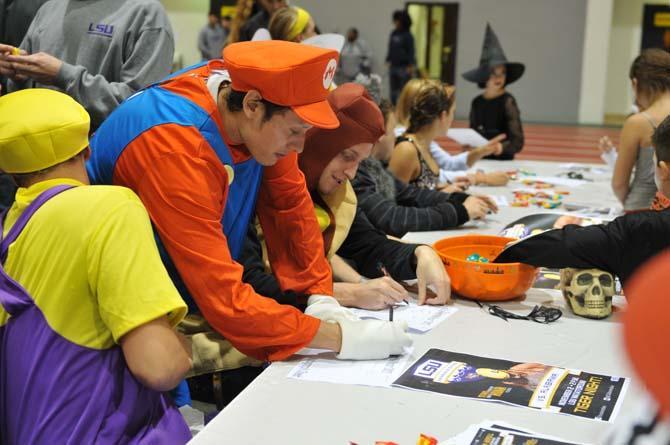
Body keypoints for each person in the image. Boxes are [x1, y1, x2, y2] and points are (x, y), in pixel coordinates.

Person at [87, 41, 412, 380]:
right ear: (254, 105)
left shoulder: (252, 102)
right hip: (123, 300)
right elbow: (224, 299)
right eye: (295, 132)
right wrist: (341, 338)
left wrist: (319, 294)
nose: (300, 147)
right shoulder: (177, 149)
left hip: (184, 276)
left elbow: (288, 203)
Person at [0, 89, 192, 443]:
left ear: (13, 174)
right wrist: (185, 348)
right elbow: (159, 366)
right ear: (86, 151)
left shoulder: (7, 229)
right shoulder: (108, 208)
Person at [241, 83, 451, 310]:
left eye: (360, 162)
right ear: (319, 146)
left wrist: (419, 254)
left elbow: (368, 245)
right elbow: (249, 284)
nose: (351, 172)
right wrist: (346, 293)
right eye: (346, 156)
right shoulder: (256, 186)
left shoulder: (338, 193)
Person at [495, 114, 670, 286]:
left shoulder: (642, 229)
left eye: (653, 162)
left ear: (664, 170)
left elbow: (571, 243)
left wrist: (506, 255)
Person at [0, 0, 174, 131]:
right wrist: (19, 73)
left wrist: (63, 76)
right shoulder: (50, 8)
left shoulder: (146, 14)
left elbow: (142, 107)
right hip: (39, 154)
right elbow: (22, 93)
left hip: (99, 162)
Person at [353, 99, 498, 237]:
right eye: (392, 130)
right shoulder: (357, 170)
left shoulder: (375, 165)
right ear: (380, 134)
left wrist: (460, 199)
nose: (396, 137)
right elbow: (392, 218)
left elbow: (409, 193)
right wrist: (460, 211)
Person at [395, 78, 509, 187]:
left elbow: (432, 178)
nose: (453, 118)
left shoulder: (421, 141)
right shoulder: (406, 145)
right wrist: (480, 178)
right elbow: (398, 199)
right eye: (452, 112)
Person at [607, 49, 670, 211]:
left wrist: (628, 206)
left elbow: (619, 183)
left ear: (635, 83)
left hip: (642, 211)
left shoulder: (638, 123)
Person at [463, 23, 525, 160]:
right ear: (484, 76)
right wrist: (468, 145)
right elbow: (473, 133)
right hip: (481, 160)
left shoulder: (508, 101)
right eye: (494, 73)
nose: (499, 77)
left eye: (502, 73)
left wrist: (500, 147)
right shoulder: (477, 102)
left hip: (503, 161)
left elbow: (518, 141)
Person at [386, 9, 415, 105]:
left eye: (397, 21)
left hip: (404, 68)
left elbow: (411, 51)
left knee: (404, 91)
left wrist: (410, 65)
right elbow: (390, 48)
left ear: (402, 21)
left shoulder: (408, 35)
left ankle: (403, 111)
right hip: (393, 66)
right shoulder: (394, 33)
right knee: (393, 92)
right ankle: (394, 110)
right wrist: (388, 59)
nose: (395, 23)